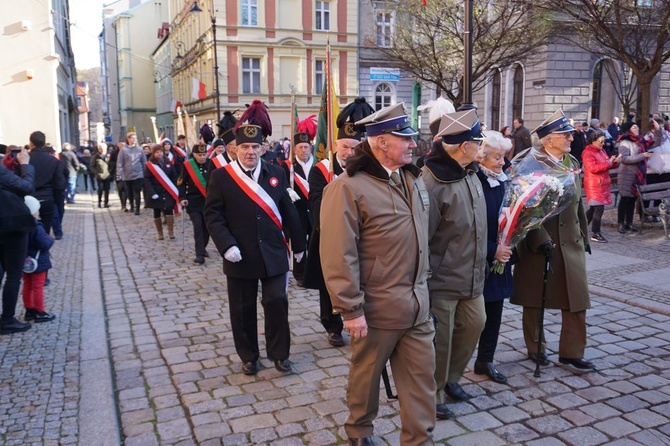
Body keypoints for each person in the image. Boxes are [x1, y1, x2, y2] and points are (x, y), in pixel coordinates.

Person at [320, 103, 436, 445]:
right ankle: (358, 431)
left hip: (417, 304)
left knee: (421, 380)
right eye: (405, 139)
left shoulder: (411, 179)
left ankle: (419, 439)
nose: (414, 145)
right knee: (366, 377)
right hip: (376, 308)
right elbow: (338, 254)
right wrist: (351, 309)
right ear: (382, 142)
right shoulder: (348, 188)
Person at [204, 106, 305, 376]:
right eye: (245, 146)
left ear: (263, 148)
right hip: (240, 253)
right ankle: (249, 355)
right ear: (235, 148)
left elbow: (287, 209)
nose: (250, 151)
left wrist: (300, 245)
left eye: (255, 147)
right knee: (242, 307)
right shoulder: (221, 177)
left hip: (272, 252)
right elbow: (212, 215)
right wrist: (226, 245)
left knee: (276, 302)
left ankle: (280, 354)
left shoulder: (276, 173)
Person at [511, 109, 595, 371]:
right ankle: (536, 347)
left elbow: (578, 202)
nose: (571, 137)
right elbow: (519, 207)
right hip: (541, 243)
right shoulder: (528, 163)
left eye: (569, 133)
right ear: (547, 139)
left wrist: (583, 232)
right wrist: (538, 238)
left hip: (571, 241)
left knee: (577, 299)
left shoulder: (570, 162)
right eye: (564, 134)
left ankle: (571, 352)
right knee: (535, 298)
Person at [423, 106, 487, 420]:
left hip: (472, 274)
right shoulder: (433, 181)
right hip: (442, 279)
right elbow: (422, 237)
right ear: (464, 146)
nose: (482, 147)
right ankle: (431, 394)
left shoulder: (472, 172)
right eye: (479, 141)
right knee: (441, 342)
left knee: (475, 324)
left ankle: (451, 379)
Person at [303, 97, 374, 347]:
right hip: (329, 236)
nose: (349, 153)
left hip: (362, 236)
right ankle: (332, 325)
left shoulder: (367, 170)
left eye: (355, 147)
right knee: (329, 283)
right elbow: (318, 207)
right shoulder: (320, 170)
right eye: (344, 147)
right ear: (335, 144)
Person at [474, 130, 514, 385]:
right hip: (479, 257)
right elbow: (470, 225)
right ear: (482, 157)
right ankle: (454, 364)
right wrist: (491, 250)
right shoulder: (475, 180)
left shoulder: (503, 180)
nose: (502, 162)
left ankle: (485, 359)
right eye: (497, 157)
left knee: (495, 310)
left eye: (503, 157)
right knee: (473, 316)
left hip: (500, 257)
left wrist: (510, 243)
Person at [0, 147, 35, 334]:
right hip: (11, 224)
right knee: (13, 275)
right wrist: (25, 165)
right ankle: (7, 319)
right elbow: (27, 187)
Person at [282, 117, 317, 286]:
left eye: (306, 147)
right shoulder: (287, 167)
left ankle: (313, 273)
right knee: (299, 243)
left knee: (315, 243)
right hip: (298, 212)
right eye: (300, 148)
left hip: (316, 211)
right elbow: (282, 185)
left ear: (311, 147)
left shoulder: (319, 166)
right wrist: (287, 189)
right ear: (294, 149)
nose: (303, 150)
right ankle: (300, 274)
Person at [616, 120, 660, 233]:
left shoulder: (641, 140)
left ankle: (629, 223)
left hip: (638, 174)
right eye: (634, 127)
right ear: (629, 129)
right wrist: (643, 155)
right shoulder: (624, 142)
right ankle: (621, 223)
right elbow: (624, 159)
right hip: (627, 174)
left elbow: (656, 142)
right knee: (625, 199)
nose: (637, 129)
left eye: (637, 127)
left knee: (633, 199)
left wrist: (657, 130)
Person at [21, 196, 56, 323]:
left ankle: (29, 310)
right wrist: (50, 239)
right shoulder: (37, 227)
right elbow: (44, 244)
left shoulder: (22, 226)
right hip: (38, 262)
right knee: (38, 286)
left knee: (27, 285)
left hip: (26, 262)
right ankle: (40, 311)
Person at [582, 130, 621, 242]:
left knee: (593, 209)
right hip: (594, 184)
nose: (603, 143)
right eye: (601, 141)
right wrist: (609, 163)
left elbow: (606, 165)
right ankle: (595, 233)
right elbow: (593, 168)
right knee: (598, 209)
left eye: (604, 141)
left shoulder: (601, 151)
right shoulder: (588, 153)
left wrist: (614, 162)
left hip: (602, 183)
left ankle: (580, 228)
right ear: (593, 141)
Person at [178, 144, 213, 264]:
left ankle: (203, 247)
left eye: (204, 155)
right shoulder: (188, 166)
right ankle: (199, 254)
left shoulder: (211, 164)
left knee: (207, 228)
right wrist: (182, 197)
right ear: (194, 155)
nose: (202, 157)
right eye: (199, 155)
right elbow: (181, 183)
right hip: (193, 202)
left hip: (208, 202)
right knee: (198, 227)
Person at [28, 131, 66, 235]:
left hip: (29, 198)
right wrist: (56, 199)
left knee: (29, 231)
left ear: (31, 143)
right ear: (44, 144)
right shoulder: (54, 161)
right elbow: (59, 184)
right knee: (45, 231)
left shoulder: (25, 159)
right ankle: (44, 248)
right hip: (47, 198)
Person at [144, 144, 178, 240]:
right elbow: (147, 180)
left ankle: (170, 232)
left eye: (161, 152)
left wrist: (175, 188)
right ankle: (160, 233)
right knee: (157, 211)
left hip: (167, 191)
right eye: (157, 152)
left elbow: (173, 176)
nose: (159, 154)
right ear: (153, 153)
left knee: (169, 210)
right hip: (156, 191)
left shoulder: (167, 162)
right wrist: (152, 193)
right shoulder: (150, 165)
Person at [117, 132, 147, 215]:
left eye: (135, 138)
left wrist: (145, 173)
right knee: (129, 192)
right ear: (128, 139)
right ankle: (132, 206)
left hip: (138, 174)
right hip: (127, 174)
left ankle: (137, 209)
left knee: (137, 191)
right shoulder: (123, 150)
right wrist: (118, 174)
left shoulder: (140, 149)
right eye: (132, 138)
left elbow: (144, 162)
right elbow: (120, 163)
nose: (134, 140)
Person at [90, 142, 112, 208]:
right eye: (101, 148)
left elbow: (112, 164)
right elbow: (91, 166)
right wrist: (96, 173)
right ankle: (99, 202)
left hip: (107, 175)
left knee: (107, 189)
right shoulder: (95, 156)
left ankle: (106, 203)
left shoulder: (109, 155)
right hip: (99, 176)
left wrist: (110, 171)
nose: (102, 150)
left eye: (104, 148)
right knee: (100, 189)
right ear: (98, 149)